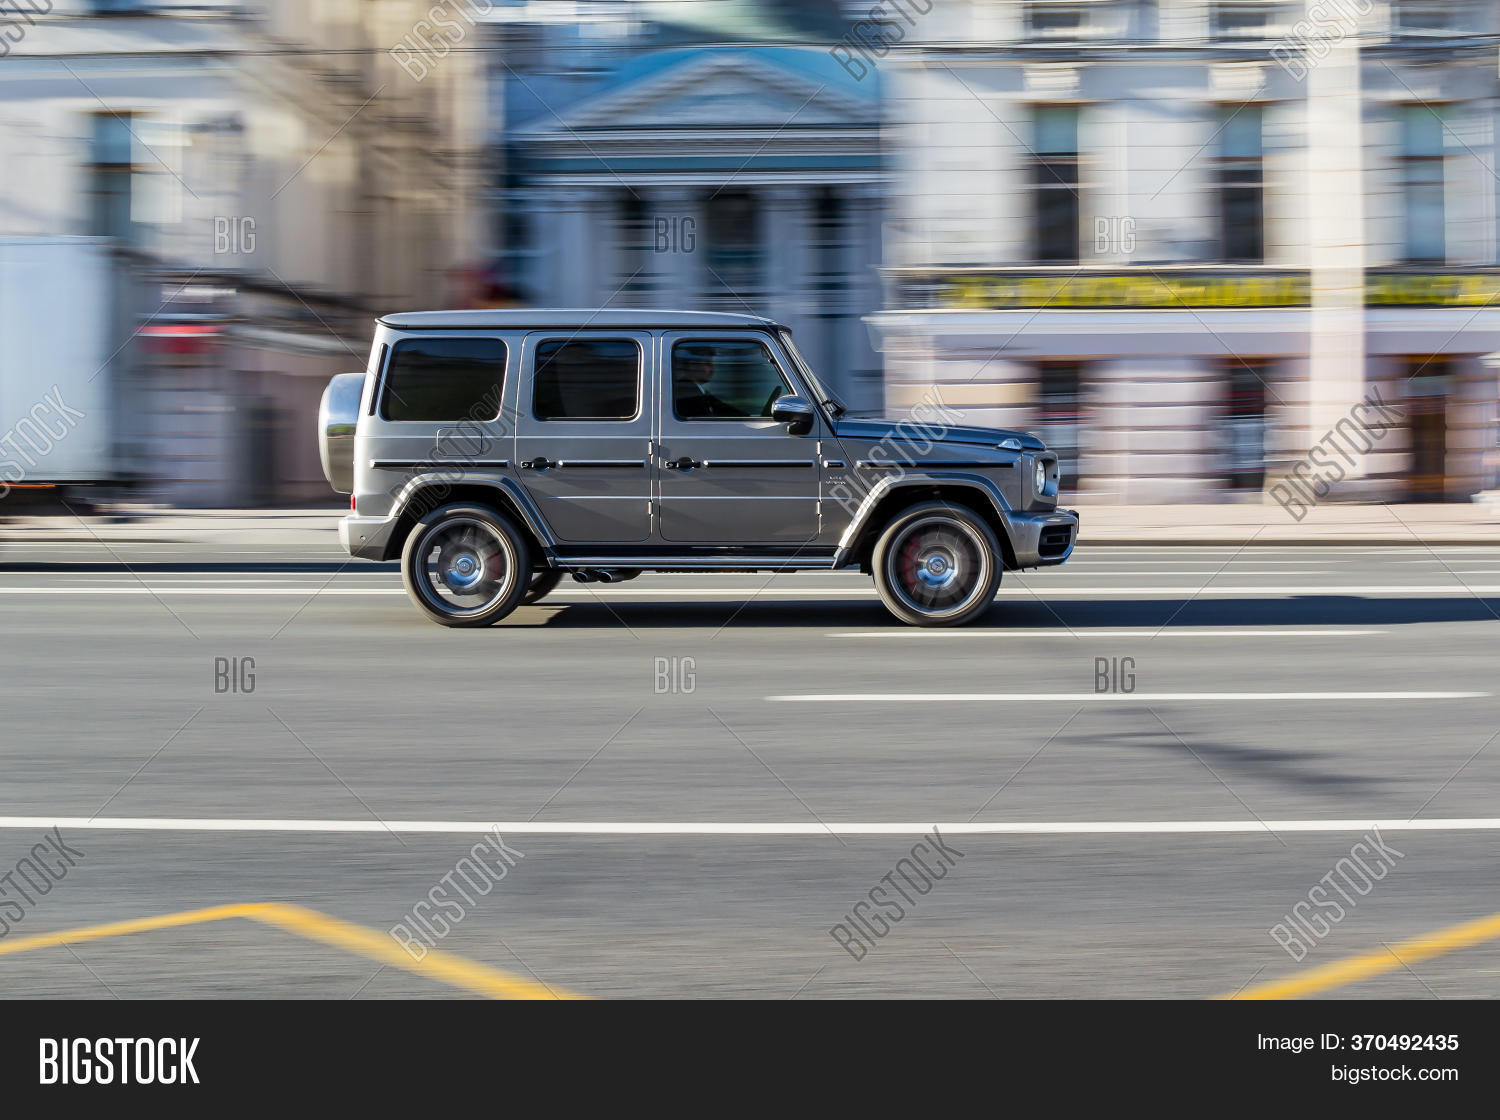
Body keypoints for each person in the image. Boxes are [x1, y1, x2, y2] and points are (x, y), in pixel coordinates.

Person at [674, 350, 744, 418]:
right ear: (693, 365)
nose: (712, 370)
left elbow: (723, 408)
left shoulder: (698, 391)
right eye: (708, 364)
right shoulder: (687, 394)